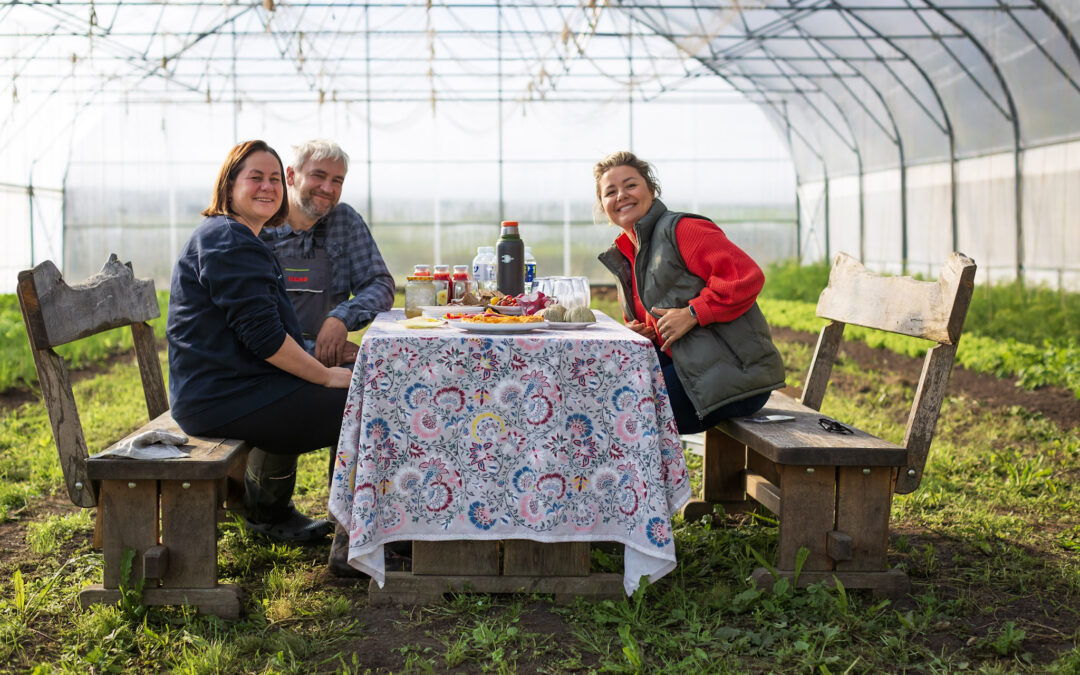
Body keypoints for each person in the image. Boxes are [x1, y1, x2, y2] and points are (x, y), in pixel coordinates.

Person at [167, 140, 352, 544]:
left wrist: (332, 366)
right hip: (223, 399)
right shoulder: (229, 240)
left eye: (274, 179)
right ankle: (356, 539)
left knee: (357, 382)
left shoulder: (236, 237)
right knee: (364, 404)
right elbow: (266, 340)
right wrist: (324, 376)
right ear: (230, 184)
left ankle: (286, 516)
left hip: (233, 388)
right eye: (255, 177)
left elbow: (266, 332)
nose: (268, 187)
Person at [594, 151, 786, 435]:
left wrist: (694, 313)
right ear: (603, 206)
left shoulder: (683, 230)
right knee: (598, 385)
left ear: (651, 189)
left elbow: (746, 277)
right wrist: (642, 331)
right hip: (690, 368)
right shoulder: (628, 253)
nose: (621, 195)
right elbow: (661, 314)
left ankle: (647, 480)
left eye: (630, 185)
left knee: (626, 412)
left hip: (736, 377)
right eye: (611, 191)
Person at [258, 139, 395, 366]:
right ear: (290, 176)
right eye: (318, 176)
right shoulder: (258, 227)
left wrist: (340, 317)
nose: (328, 188)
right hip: (267, 363)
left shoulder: (344, 221)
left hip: (328, 362)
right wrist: (315, 352)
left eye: (337, 180)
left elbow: (379, 284)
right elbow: (253, 329)